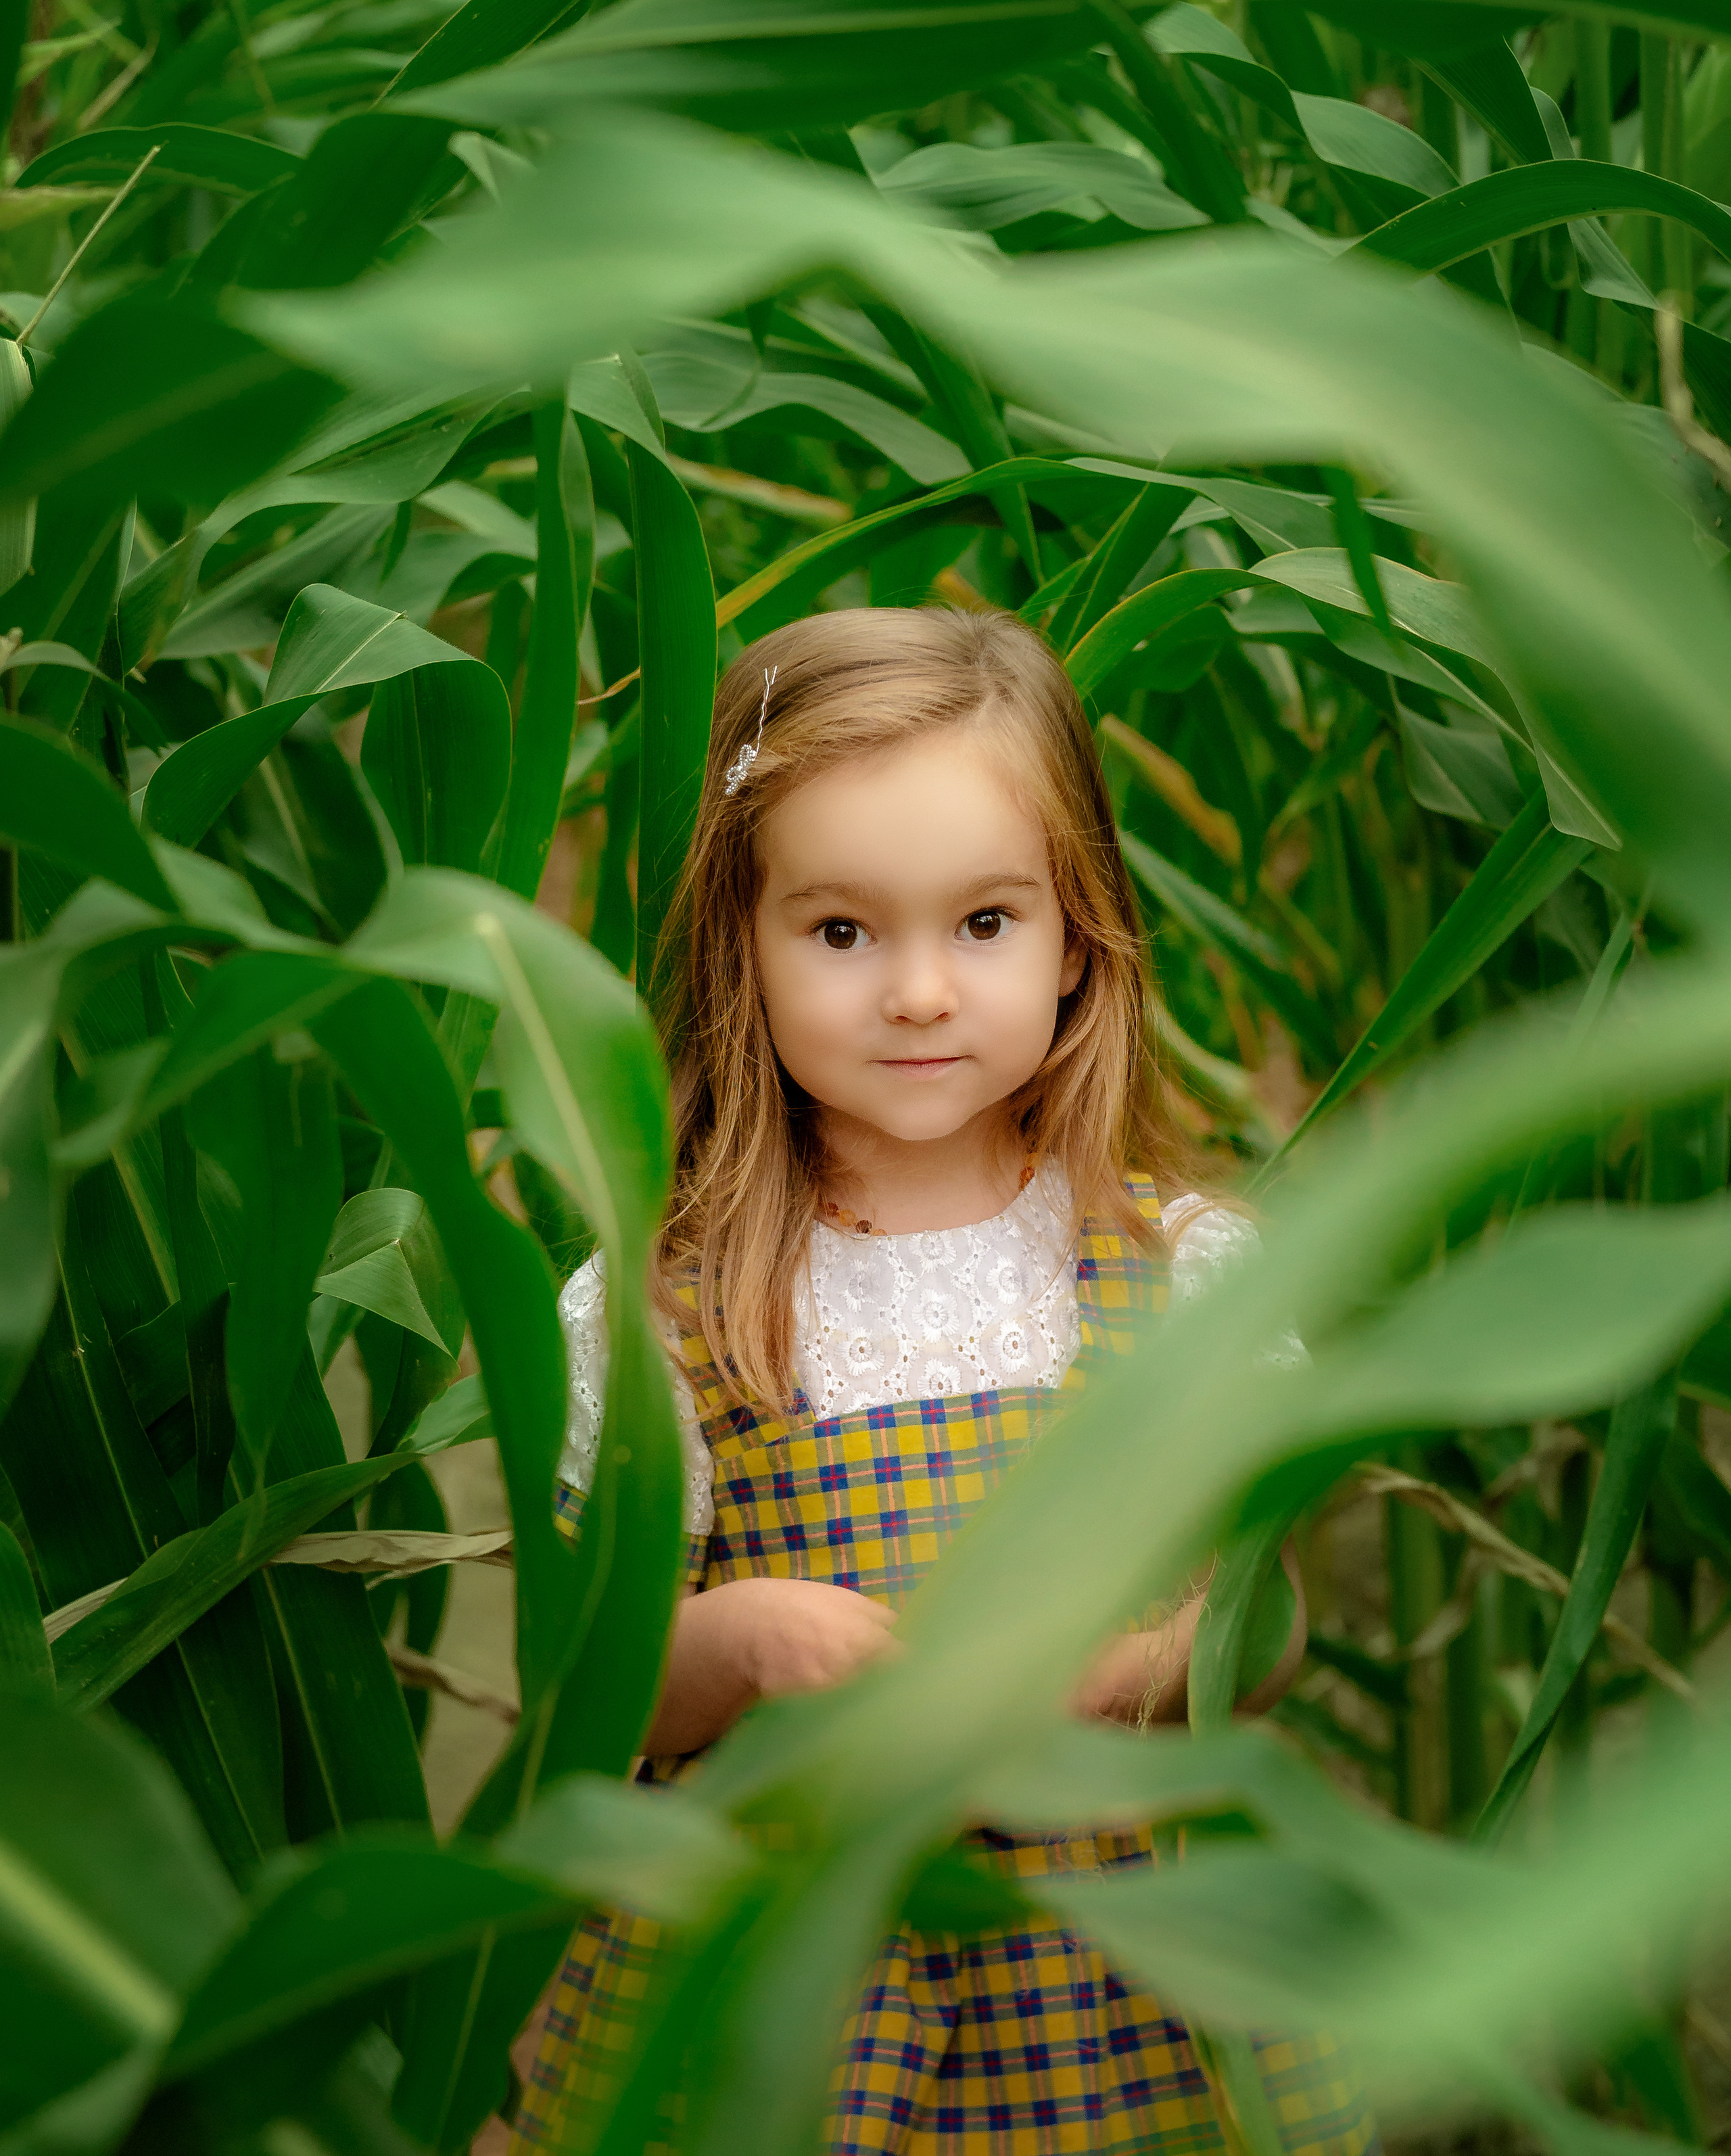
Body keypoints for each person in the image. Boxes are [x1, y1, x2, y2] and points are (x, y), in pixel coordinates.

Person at [506, 608, 1374, 2156]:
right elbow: (587, 1693)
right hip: (784, 1986)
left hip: (1122, 1990)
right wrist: (747, 1642)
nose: (916, 992)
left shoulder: (1175, 1272)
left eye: (981, 923)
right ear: (743, 945)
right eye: (842, 932)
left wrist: (1128, 1676)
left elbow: (1263, 1627)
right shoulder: (666, 1311)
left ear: (1073, 938)